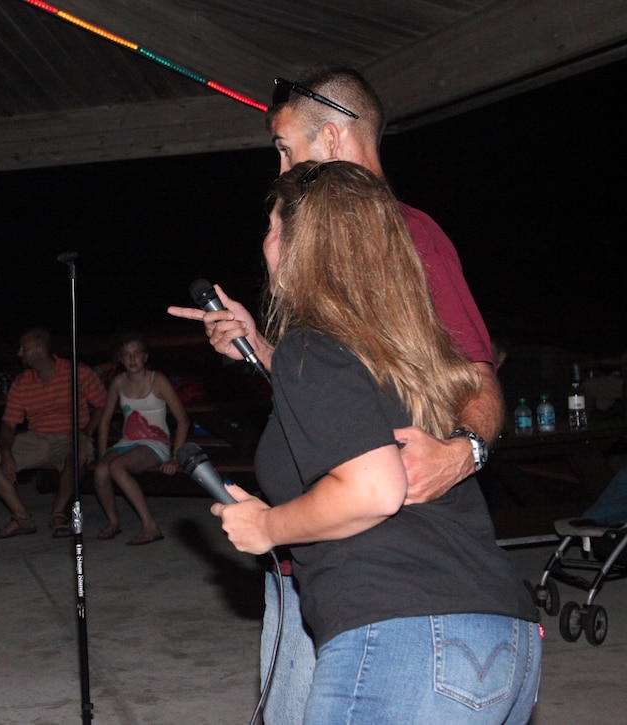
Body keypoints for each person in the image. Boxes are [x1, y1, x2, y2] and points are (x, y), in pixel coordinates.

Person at [167, 66, 505, 722]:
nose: (283, 164)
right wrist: (260, 348)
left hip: (390, 584)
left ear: (333, 134)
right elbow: (346, 398)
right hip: (325, 561)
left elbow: (475, 374)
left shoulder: (410, 235)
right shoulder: (321, 253)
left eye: (288, 149)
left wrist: (466, 450)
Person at [216, 160, 540, 722]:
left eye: (273, 226)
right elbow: (344, 417)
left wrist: (265, 526)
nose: (265, 242)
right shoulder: (419, 355)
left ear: (302, 245)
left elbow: (373, 490)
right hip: (504, 638)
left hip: (402, 638)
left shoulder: (312, 346)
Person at [0, 327, 106, 539]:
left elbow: (103, 404)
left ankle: (58, 514)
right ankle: (22, 517)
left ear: (39, 350)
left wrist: (87, 430)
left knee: (78, 454)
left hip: (70, 436)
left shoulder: (77, 372)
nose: (19, 353)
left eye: (24, 348)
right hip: (37, 438)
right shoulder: (22, 382)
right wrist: (7, 453)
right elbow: (8, 425)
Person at [93, 333, 189, 545]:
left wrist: (175, 458)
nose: (132, 359)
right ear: (120, 359)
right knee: (101, 471)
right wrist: (102, 455)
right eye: (126, 355)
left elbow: (183, 420)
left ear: (145, 357)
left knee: (117, 467)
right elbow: (105, 420)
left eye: (137, 353)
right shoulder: (118, 382)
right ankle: (113, 522)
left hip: (155, 443)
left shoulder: (158, 380)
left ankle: (150, 526)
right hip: (127, 442)